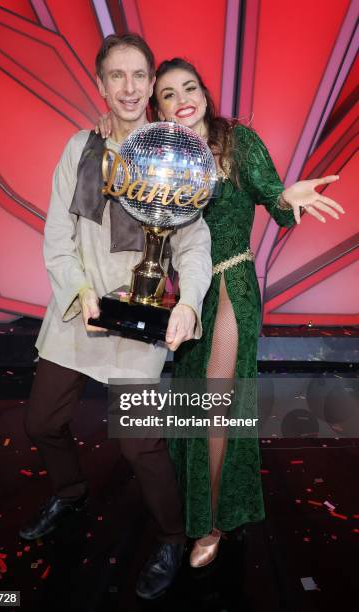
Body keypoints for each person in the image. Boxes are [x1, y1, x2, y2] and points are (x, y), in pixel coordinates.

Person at [96, 56, 344, 568]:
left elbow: (275, 201)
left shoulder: (238, 143)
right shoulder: (156, 153)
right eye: (167, 93)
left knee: (215, 401)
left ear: (205, 97)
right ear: (156, 107)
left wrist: (288, 197)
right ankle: (193, 503)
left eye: (190, 88)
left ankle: (211, 523)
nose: (182, 98)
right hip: (186, 293)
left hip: (230, 283)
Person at [20, 38, 212, 600]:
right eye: (116, 77)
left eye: (138, 76)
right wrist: (82, 296)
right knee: (40, 423)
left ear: (151, 83)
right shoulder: (79, 147)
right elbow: (57, 238)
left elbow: (193, 244)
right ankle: (71, 491)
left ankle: (172, 537)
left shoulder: (174, 151)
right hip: (79, 311)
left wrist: (190, 301)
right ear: (100, 84)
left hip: (141, 319)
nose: (129, 88)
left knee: (140, 445)